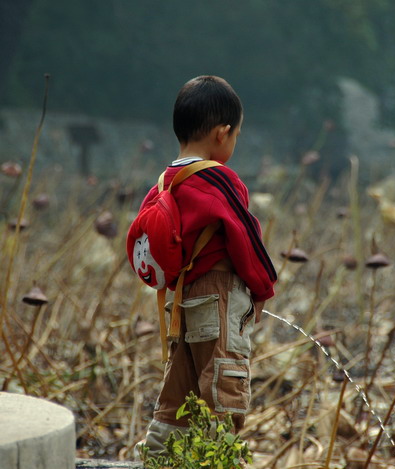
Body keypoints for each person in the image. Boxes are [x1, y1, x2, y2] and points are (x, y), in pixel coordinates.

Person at [137, 75, 277, 458]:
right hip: (216, 299)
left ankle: (161, 457)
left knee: (179, 391)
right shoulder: (218, 179)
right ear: (222, 133)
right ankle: (217, 461)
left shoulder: (164, 182)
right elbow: (245, 236)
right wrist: (264, 288)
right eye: (235, 136)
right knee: (222, 390)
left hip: (180, 304)